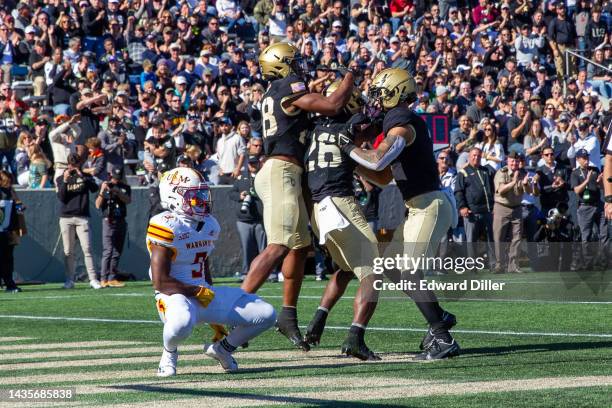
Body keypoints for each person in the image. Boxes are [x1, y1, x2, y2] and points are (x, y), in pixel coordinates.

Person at [333, 68, 459, 360]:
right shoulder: (395, 121)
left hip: (429, 205)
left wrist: (349, 147)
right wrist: (352, 161)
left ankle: (442, 336)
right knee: (389, 267)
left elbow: (377, 161)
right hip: (417, 207)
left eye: (378, 93)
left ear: (396, 92)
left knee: (409, 273)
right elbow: (382, 176)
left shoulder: (401, 122)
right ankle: (439, 315)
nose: (374, 100)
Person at [241, 42, 355, 351]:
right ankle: (233, 311)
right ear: (281, 65)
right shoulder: (287, 86)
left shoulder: (274, 92)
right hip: (282, 170)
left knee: (299, 245)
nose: (300, 65)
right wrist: (350, 79)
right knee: (278, 245)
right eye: (294, 61)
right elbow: (331, 106)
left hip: (285, 171)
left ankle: (287, 316)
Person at [148, 167, 276, 376]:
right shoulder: (166, 225)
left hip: (201, 293)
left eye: (201, 193)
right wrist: (198, 292)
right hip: (173, 297)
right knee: (180, 324)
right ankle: (168, 353)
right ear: (174, 197)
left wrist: (212, 304)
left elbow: (203, 264)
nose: (201, 199)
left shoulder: (209, 224)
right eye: (193, 195)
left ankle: (222, 349)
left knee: (266, 314)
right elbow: (160, 282)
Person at [303, 82, 381, 360]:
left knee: (347, 269)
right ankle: (355, 337)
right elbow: (370, 131)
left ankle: (318, 319)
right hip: (340, 202)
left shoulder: (314, 129)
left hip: (317, 208)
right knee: (374, 270)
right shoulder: (349, 126)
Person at [56, 153, 101, 289]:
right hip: (66, 217)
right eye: (71, 164)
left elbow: (94, 189)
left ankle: (93, 279)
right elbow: (62, 197)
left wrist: (82, 176)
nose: (73, 167)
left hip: (82, 217)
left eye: (75, 164)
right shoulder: (61, 178)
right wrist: (64, 180)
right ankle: (69, 279)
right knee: (68, 251)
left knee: (87, 248)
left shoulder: (85, 176)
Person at [455, 147, 496, 272]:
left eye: (478, 156)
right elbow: (458, 192)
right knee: (471, 241)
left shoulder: (486, 171)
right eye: (473, 155)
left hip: (488, 211)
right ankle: (472, 266)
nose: (476, 157)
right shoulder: (463, 172)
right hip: (472, 212)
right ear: (469, 157)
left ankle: (493, 264)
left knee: (491, 239)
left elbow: (493, 189)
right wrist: (462, 207)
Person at [493, 151, 535, 274]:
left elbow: (528, 191)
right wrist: (513, 181)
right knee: (499, 237)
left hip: (517, 208)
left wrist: (526, 184)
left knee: (517, 238)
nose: (514, 163)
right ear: (507, 161)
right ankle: (499, 265)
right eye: (512, 160)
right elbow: (500, 190)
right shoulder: (502, 172)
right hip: (502, 207)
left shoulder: (523, 173)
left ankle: (513, 265)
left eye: (517, 161)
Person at [230, 155, 266, 282]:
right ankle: (246, 272)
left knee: (264, 248)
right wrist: (240, 196)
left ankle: (268, 272)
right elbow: (231, 194)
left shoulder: (264, 177)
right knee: (246, 248)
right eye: (251, 163)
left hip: (260, 218)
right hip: (244, 219)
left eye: (255, 163)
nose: (252, 166)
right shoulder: (241, 178)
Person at [570, 149, 607, 269]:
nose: (586, 160)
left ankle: (604, 261)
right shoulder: (575, 173)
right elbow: (576, 191)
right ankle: (588, 262)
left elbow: (601, 187)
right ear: (578, 159)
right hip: (585, 207)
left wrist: (599, 182)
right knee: (586, 236)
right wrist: (586, 180)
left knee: (604, 233)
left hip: (598, 204)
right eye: (583, 158)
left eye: (587, 157)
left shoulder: (594, 169)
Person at [95, 168, 131, 288]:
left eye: (118, 177)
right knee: (108, 250)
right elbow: (97, 205)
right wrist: (103, 191)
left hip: (121, 219)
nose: (115, 180)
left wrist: (118, 192)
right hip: (108, 220)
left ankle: (112, 277)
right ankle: (103, 279)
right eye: (114, 177)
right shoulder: (104, 186)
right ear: (110, 176)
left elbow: (128, 200)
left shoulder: (125, 187)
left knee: (117, 251)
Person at [0, 170, 25, 293]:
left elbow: (19, 207)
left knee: (8, 259)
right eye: (6, 181)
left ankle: (9, 284)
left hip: (8, 231)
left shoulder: (11, 192)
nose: (9, 184)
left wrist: (20, 207)